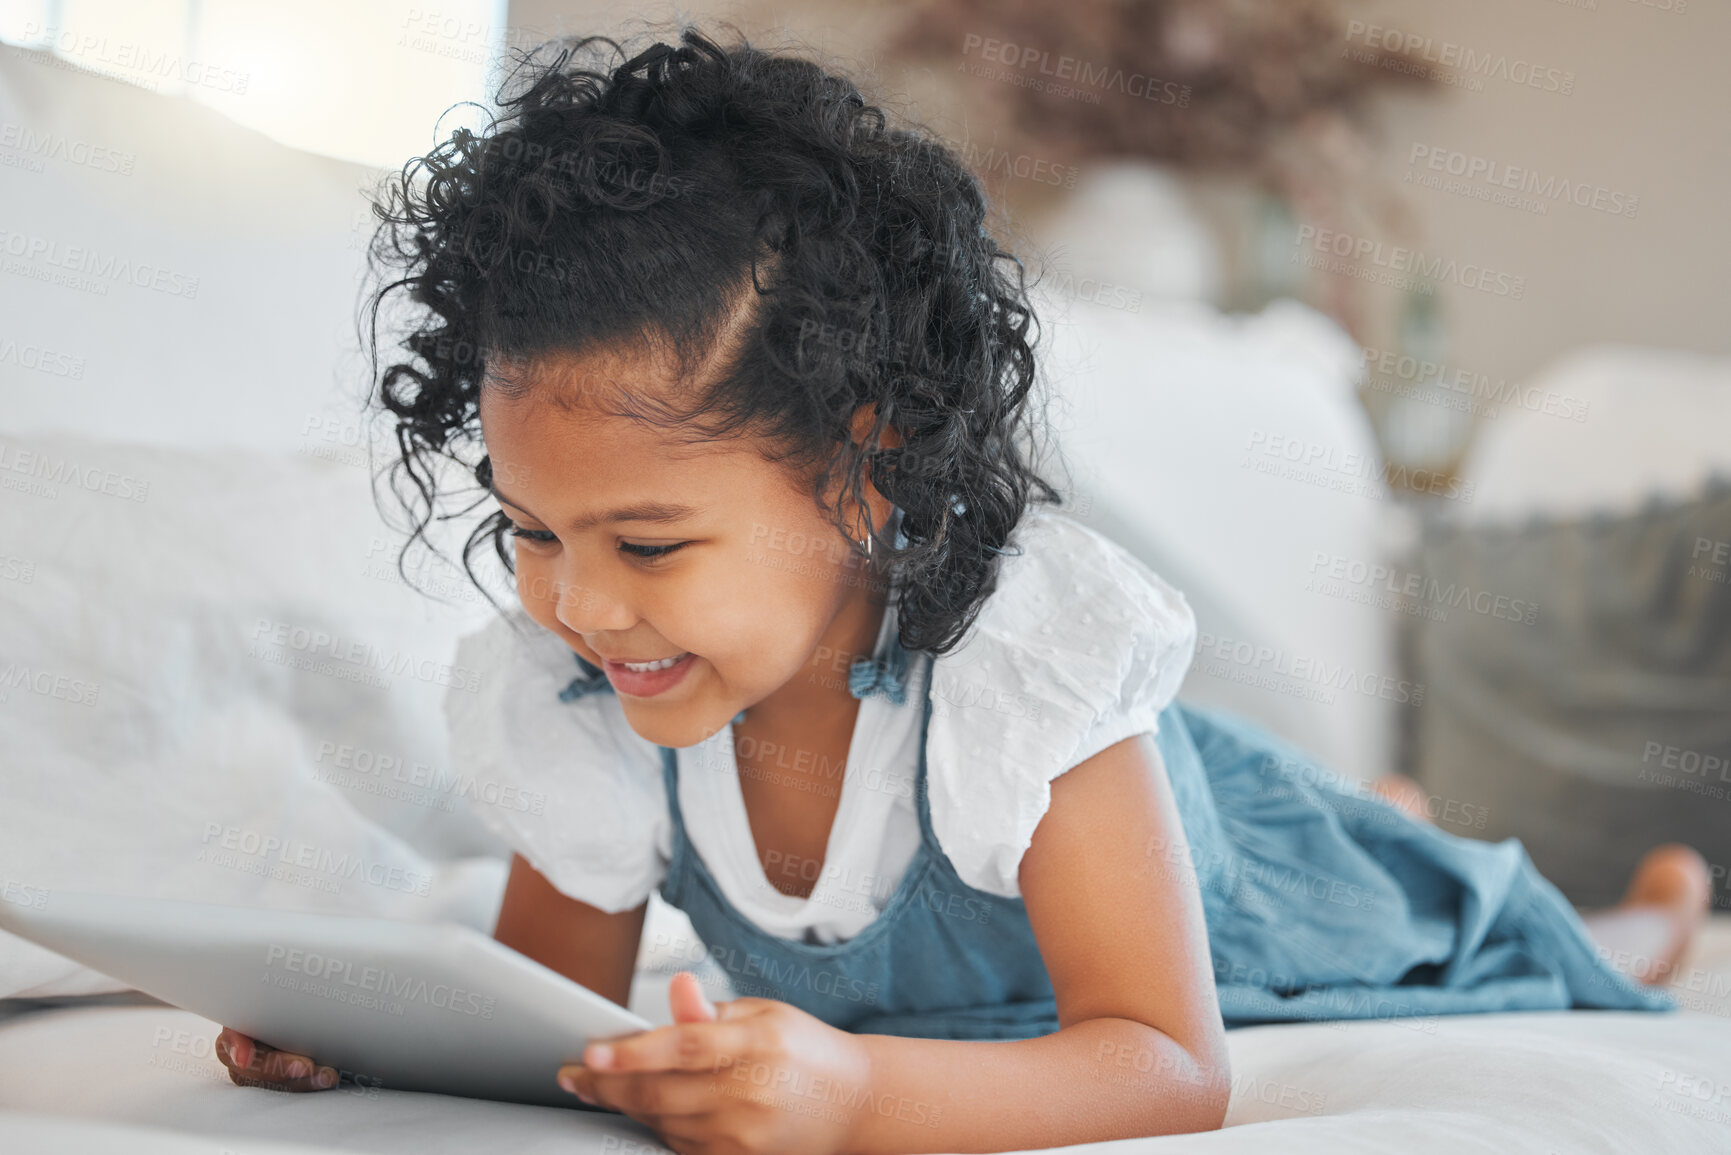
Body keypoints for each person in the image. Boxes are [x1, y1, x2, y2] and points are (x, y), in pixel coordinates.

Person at [215, 27, 1711, 1154]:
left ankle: (1641, 907)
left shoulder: (1019, 675)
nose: (582, 607)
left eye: (650, 545)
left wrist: (858, 1093)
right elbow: (557, 1020)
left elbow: (1171, 1067)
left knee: (1465, 921)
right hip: (1079, 904)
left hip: (1234, 911)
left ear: (868, 471)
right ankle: (1379, 807)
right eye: (535, 533)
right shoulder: (585, 700)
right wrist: (371, 1045)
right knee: (1373, 831)